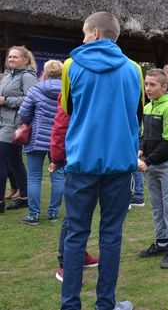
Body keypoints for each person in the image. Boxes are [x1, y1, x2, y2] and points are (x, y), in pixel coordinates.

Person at [58, 11, 143, 310]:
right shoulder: (134, 70)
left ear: (94, 33)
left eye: (84, 32)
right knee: (111, 235)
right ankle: (105, 304)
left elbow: (69, 110)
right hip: (119, 165)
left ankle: (70, 305)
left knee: (75, 235)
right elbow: (137, 115)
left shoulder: (70, 66)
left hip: (82, 163)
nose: (82, 38)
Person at [49, 93, 100, 283]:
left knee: (82, 212)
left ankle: (80, 254)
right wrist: (57, 156)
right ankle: (66, 263)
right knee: (74, 214)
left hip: (95, 156)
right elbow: (61, 124)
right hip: (78, 157)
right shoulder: (70, 88)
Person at [137, 68, 168, 269]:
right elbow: (144, 136)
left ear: (164, 87)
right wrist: (140, 150)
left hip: (167, 164)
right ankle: (162, 243)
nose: (147, 88)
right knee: (157, 206)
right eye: (146, 84)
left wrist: (147, 161)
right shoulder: (148, 108)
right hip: (151, 165)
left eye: (152, 84)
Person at [17, 59, 64, 225]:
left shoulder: (35, 89)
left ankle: (33, 215)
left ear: (44, 72)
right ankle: (53, 213)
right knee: (58, 177)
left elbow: (23, 113)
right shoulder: (68, 91)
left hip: (36, 138)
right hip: (59, 140)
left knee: (34, 177)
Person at [0, 45, 37, 213]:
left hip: (14, 125)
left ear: (25, 60)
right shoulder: (7, 75)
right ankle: (24, 197)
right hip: (2, 122)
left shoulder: (28, 77)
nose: (11, 60)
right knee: (15, 162)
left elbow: (30, 100)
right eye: (10, 57)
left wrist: (6, 100)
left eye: (15, 57)